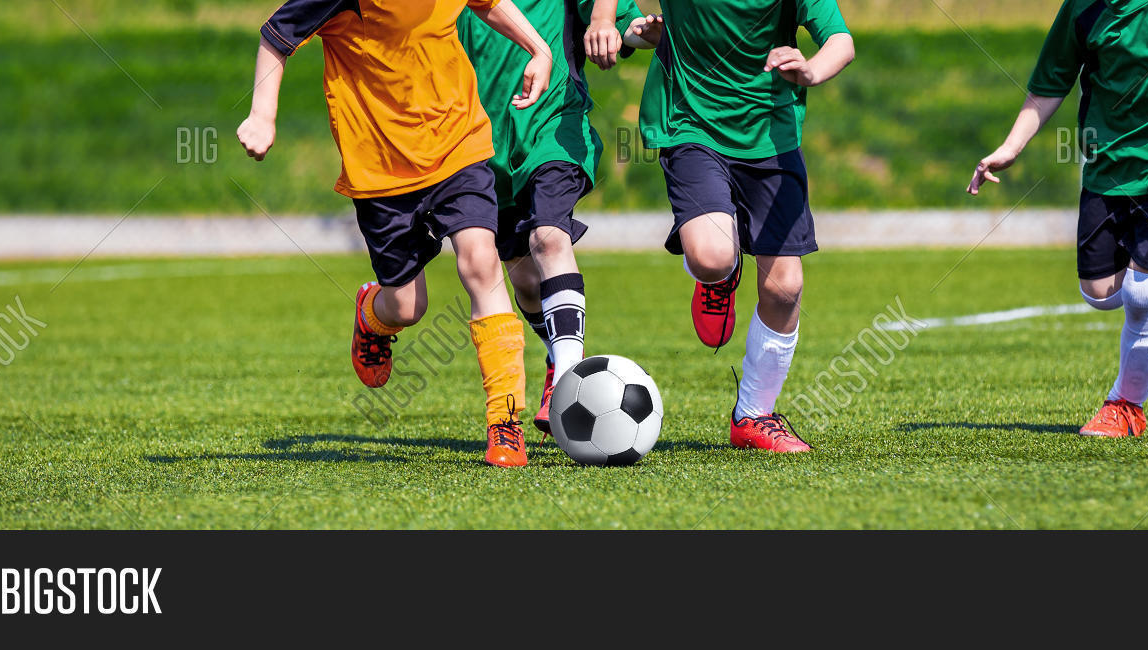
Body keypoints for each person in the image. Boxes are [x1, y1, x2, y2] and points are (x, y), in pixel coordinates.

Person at [236, 0, 554, 467]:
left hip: (457, 142)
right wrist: (263, 114)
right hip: (379, 168)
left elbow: (489, 4)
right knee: (407, 306)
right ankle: (373, 313)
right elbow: (276, 37)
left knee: (480, 262)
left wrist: (538, 49)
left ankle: (505, 424)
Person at [970, 0, 1148, 437]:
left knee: (1143, 294)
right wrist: (1011, 147)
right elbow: (1051, 83)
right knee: (1101, 293)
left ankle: (1125, 408)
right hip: (1108, 169)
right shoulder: (1083, 8)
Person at [603, 0, 855, 452]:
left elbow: (840, 41)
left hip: (771, 137)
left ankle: (754, 416)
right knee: (712, 256)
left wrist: (812, 70)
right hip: (690, 125)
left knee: (785, 289)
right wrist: (607, 19)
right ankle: (720, 274)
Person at [459, 0, 663, 436]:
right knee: (528, 285)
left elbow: (621, 26)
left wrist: (643, 32)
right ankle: (558, 357)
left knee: (549, 238)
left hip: (555, 129)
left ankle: (571, 381)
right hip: (480, 144)